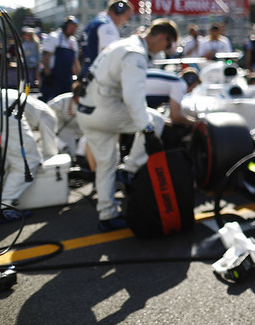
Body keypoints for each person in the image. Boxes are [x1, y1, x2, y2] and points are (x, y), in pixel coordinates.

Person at [76, 18, 179, 232]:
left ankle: (107, 215)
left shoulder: (122, 44)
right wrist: (147, 131)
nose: (165, 50)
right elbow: (133, 98)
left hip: (87, 112)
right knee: (156, 120)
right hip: (104, 110)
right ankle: (130, 169)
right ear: (162, 37)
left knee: (105, 164)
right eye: (167, 45)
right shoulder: (135, 53)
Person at [0, 89, 45, 222]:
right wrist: (50, 156)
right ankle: (3, 207)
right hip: (3, 107)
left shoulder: (28, 100)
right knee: (29, 159)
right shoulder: (45, 111)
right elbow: (49, 135)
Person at [145, 67, 201, 147]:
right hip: (131, 98)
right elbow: (175, 116)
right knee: (170, 133)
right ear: (190, 83)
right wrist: (194, 122)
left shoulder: (173, 78)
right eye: (193, 88)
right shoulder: (180, 84)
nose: (191, 91)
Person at [81, 0, 134, 77]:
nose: (126, 22)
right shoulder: (107, 26)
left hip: (88, 71)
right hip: (99, 76)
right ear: (119, 11)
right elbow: (111, 55)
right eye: (127, 16)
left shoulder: (95, 23)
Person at [39, 16, 81, 102]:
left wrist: (79, 77)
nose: (73, 29)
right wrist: (48, 75)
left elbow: (75, 61)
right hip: (53, 78)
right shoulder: (54, 37)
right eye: (71, 27)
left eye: (75, 27)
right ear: (65, 26)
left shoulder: (73, 42)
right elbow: (45, 57)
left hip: (67, 78)